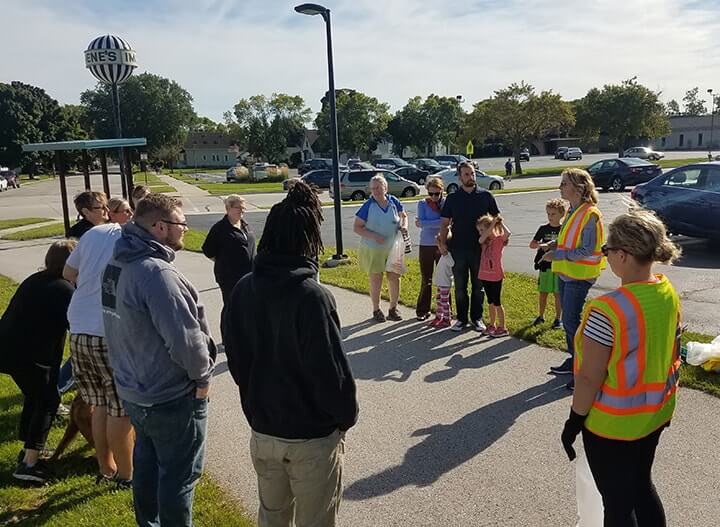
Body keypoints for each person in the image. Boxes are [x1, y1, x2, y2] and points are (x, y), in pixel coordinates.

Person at [223, 181, 358, 527]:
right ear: (308, 240)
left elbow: (236, 361)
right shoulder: (312, 297)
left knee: (272, 518)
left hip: (265, 431)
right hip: (310, 438)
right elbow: (332, 374)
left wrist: (255, 403)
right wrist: (345, 417)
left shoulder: (242, 290)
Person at [561, 209, 682, 526]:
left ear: (624, 255)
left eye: (607, 250)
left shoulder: (608, 309)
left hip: (612, 425)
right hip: (654, 414)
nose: (605, 256)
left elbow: (589, 376)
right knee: (642, 486)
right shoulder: (667, 293)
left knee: (616, 504)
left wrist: (574, 421)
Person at [102, 194, 216, 526]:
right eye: (181, 224)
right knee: (179, 478)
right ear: (160, 227)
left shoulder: (116, 264)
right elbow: (186, 342)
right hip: (169, 396)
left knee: (148, 466)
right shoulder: (157, 275)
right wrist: (203, 381)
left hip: (134, 391)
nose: (185, 230)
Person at [63, 216, 133, 488]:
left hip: (79, 328)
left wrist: (90, 286)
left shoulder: (93, 234)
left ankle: (105, 468)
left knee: (100, 404)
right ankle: (127, 475)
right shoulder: (131, 239)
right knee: (120, 409)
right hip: (108, 331)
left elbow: (68, 273)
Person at [0, 240, 77, 483]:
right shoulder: (64, 289)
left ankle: (27, 450)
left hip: (9, 349)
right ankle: (29, 464)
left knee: (35, 397)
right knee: (48, 400)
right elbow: (77, 324)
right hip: (28, 355)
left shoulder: (36, 280)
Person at [545, 169, 605, 388]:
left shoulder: (591, 214)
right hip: (566, 273)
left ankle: (584, 369)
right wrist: (555, 245)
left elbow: (588, 249)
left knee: (571, 321)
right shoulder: (573, 209)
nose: (560, 187)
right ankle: (574, 360)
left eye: (564, 184)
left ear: (579, 187)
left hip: (579, 276)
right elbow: (570, 239)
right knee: (569, 321)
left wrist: (558, 254)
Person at [439, 161, 500, 332]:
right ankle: (462, 319)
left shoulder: (485, 196)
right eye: (466, 174)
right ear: (459, 177)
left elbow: (497, 219)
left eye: (472, 173)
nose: (470, 177)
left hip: (481, 250)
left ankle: (477, 318)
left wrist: (498, 240)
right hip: (458, 248)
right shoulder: (452, 198)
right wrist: (442, 243)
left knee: (478, 286)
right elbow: (444, 223)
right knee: (459, 286)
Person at [353, 174, 408, 322]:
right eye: (373, 188)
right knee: (376, 279)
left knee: (394, 277)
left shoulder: (393, 201)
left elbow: (404, 216)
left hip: (393, 248)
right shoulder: (368, 205)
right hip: (373, 248)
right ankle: (376, 309)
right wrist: (373, 236)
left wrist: (404, 226)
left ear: (386, 187)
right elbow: (357, 227)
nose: (375, 191)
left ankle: (393, 308)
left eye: (378, 187)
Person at [201, 194, 256, 313]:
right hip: (230, 278)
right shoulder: (220, 229)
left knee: (248, 308)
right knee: (233, 309)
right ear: (228, 208)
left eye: (244, 208)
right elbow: (208, 250)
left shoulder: (245, 225)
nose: (242, 211)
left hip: (249, 275)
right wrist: (223, 261)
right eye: (239, 208)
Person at [529, 198, 567, 328]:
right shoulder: (543, 229)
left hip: (559, 266)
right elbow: (532, 244)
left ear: (562, 214)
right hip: (545, 266)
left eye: (553, 214)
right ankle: (540, 316)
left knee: (558, 294)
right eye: (548, 214)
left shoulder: (564, 229)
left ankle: (558, 319)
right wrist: (542, 245)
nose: (550, 217)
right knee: (543, 292)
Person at [415, 176, 446, 321]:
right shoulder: (422, 204)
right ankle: (423, 310)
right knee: (426, 278)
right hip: (426, 244)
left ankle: (445, 310)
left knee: (443, 279)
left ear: (442, 192)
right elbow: (421, 222)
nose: (434, 197)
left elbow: (447, 222)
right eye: (431, 193)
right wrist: (438, 222)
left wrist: (428, 223)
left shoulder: (446, 203)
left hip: (442, 244)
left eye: (437, 194)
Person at [476, 214, 511, 337]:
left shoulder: (498, 240)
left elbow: (508, 233)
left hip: (496, 275)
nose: (480, 233)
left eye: (482, 230)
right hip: (485, 275)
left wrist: (498, 223)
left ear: (489, 228)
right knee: (490, 301)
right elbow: (481, 239)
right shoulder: (483, 242)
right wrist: (490, 226)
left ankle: (503, 327)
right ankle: (492, 324)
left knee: (497, 302)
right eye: (479, 230)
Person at [430, 232, 454, 329]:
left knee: (444, 302)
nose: (438, 248)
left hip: (445, 283)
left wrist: (445, 253)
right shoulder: (443, 256)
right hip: (440, 283)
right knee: (439, 301)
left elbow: (452, 265)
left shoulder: (449, 257)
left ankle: (447, 319)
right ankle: (439, 316)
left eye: (440, 246)